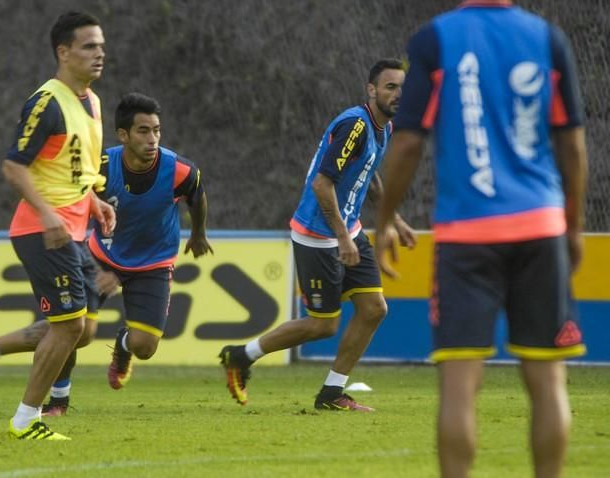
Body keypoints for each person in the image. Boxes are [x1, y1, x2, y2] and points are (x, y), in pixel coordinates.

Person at [374, 1, 588, 477]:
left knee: (459, 385)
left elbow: (407, 142)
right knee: (549, 380)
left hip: (466, 236)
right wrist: (571, 226)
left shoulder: (435, 38)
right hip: (541, 228)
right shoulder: (546, 37)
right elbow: (572, 143)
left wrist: (385, 219)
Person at [0, 11, 115, 441]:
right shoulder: (47, 102)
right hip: (43, 229)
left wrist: (94, 200)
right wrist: (48, 215)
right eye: (88, 46)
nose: (99, 53)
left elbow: (68, 169)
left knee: (83, 330)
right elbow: (13, 167)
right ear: (63, 53)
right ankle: (26, 420)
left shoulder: (92, 101)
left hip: (74, 228)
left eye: (100, 45)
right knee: (69, 326)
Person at [219, 59, 417, 411]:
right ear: (371, 90)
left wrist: (394, 219)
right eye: (390, 87)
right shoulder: (355, 125)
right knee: (322, 326)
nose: (398, 94)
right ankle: (240, 355)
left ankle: (331, 394)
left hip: (348, 230)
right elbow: (321, 183)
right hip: (318, 235)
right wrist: (341, 237)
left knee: (373, 309)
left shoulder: (383, 127)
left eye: (402, 87)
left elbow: (367, 174)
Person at [89, 92, 213, 391]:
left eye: (156, 130)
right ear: (124, 135)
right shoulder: (102, 166)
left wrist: (198, 234)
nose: (152, 138)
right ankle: (57, 401)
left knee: (145, 347)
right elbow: (78, 203)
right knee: (72, 328)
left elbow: (197, 198)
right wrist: (88, 259)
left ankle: (123, 344)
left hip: (153, 261)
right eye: (143, 131)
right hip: (102, 255)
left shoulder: (180, 170)